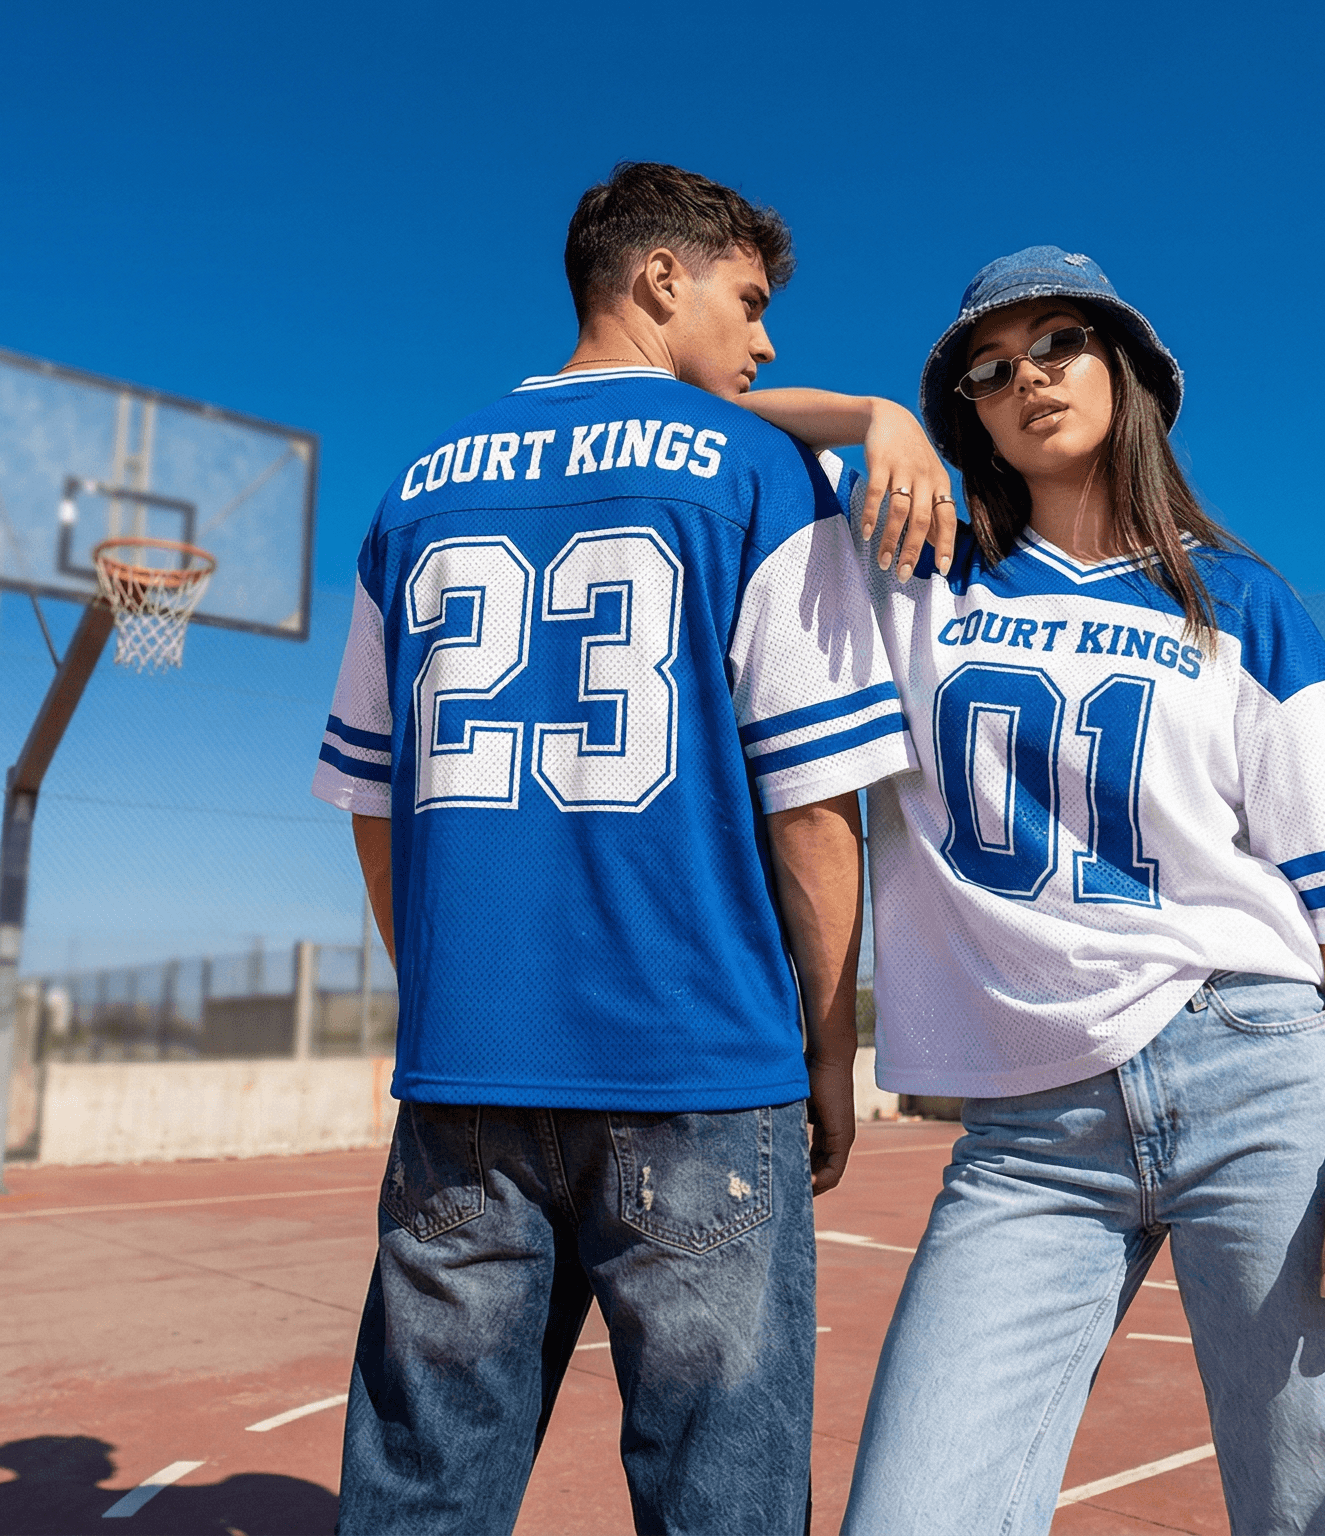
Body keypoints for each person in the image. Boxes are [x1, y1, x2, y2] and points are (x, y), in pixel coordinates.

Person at [736, 246, 1325, 1534]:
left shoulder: (1242, 605)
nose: (1028, 380)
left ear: (1128, 372)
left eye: (1060, 345)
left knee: (1319, 1505)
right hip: (1029, 1130)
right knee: (911, 1511)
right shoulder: (921, 563)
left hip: (1257, 1070)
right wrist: (875, 418)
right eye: (990, 371)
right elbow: (710, 402)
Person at [310, 162, 915, 1534]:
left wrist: (452, 990)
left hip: (468, 1073)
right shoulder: (761, 469)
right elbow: (814, 811)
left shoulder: (413, 492)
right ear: (661, 280)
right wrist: (829, 1046)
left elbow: (373, 802)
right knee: (721, 1492)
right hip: (698, 1061)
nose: (764, 344)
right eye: (748, 302)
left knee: (420, 1483)